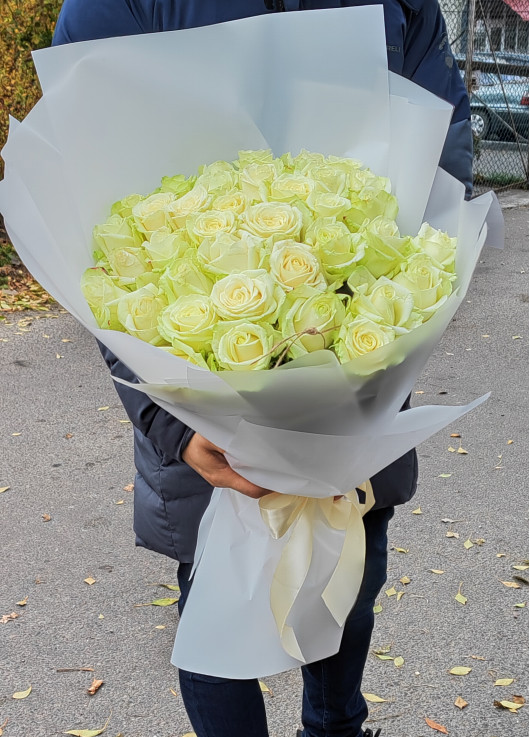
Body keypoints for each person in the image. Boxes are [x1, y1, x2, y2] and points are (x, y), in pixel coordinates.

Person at [52, 3, 473, 736]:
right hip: (195, 385)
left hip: (362, 373)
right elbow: (87, 211)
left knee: (351, 579)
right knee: (217, 606)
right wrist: (168, 421)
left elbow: (443, 153)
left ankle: (336, 726)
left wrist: (384, 325)